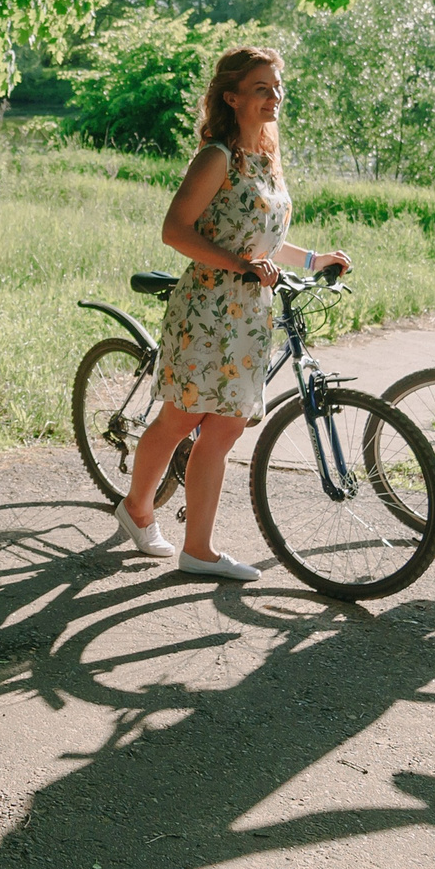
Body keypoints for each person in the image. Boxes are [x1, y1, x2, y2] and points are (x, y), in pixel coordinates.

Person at [115, 46, 350, 581]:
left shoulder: (265, 158)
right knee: (181, 419)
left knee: (223, 431)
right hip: (207, 307)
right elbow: (175, 230)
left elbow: (264, 238)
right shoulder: (216, 155)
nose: (275, 97)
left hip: (249, 312)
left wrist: (313, 259)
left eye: (278, 87)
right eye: (263, 88)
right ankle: (137, 510)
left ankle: (198, 549)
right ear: (233, 97)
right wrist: (241, 266)